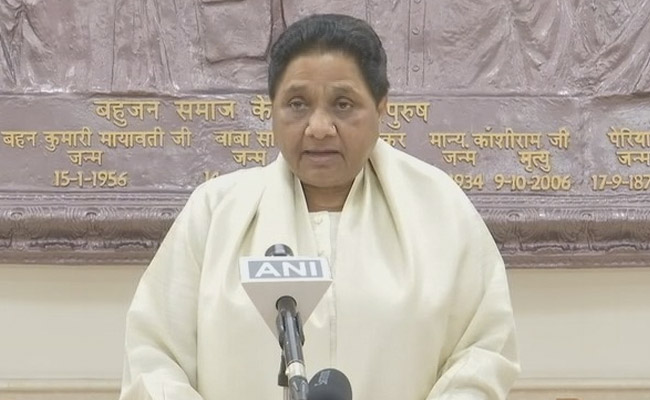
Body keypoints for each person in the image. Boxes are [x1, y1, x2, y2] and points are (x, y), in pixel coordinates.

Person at [119, 13, 520, 400]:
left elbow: (483, 348)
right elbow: (154, 356)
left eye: (343, 104)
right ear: (272, 109)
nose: (319, 127)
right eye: (297, 104)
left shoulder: (438, 210)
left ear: (381, 106)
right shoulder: (215, 213)